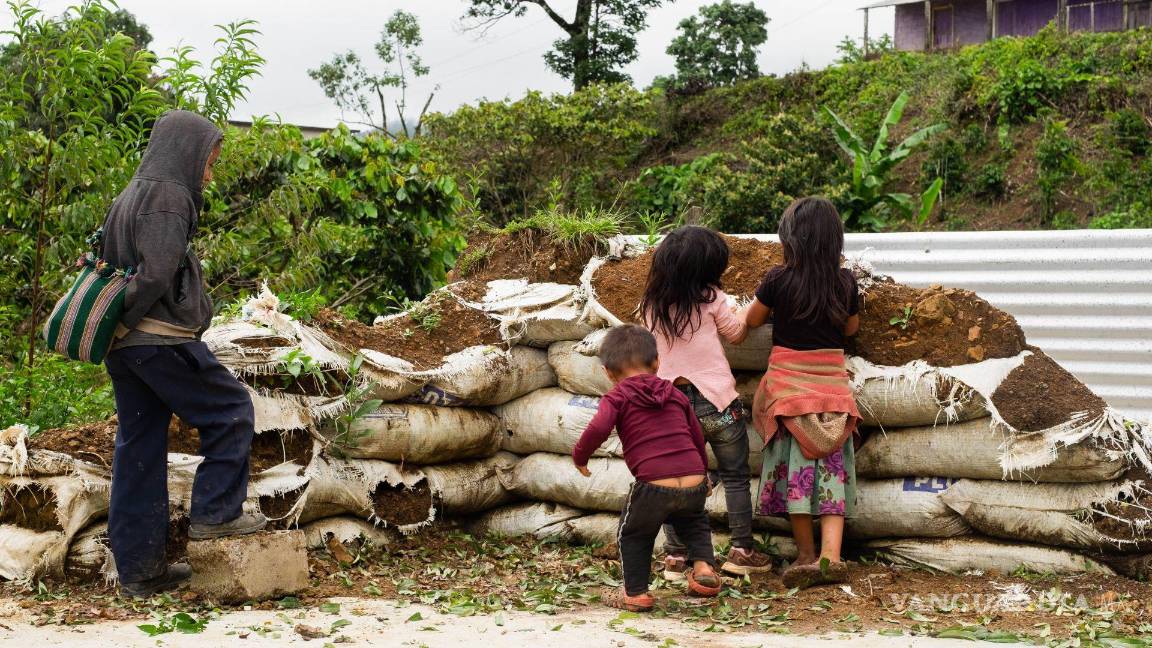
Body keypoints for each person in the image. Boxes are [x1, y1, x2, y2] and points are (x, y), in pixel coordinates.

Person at [101, 110, 267, 598]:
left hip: (126, 349)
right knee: (231, 412)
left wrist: (118, 329)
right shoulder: (170, 197)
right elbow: (154, 277)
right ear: (186, 154)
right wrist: (131, 320)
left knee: (140, 447)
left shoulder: (130, 194)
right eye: (208, 162)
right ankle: (216, 516)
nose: (209, 175)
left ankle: (140, 571)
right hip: (159, 341)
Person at [639, 225, 773, 579]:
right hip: (717, 405)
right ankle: (742, 550)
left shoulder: (650, 304)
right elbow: (737, 334)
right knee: (734, 476)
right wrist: (743, 312)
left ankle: (675, 555)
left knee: (672, 478)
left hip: (669, 409)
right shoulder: (712, 297)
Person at [744, 197, 862, 589]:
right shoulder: (845, 283)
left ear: (790, 239)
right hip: (833, 398)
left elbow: (751, 320)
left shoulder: (777, 280)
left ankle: (806, 555)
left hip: (789, 397)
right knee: (831, 475)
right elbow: (850, 330)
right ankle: (831, 557)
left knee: (797, 478)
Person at [572, 325, 722, 612]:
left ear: (608, 373)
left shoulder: (617, 397)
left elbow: (599, 427)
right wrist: (703, 474)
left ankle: (636, 593)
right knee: (695, 522)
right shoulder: (675, 394)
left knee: (634, 534)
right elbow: (696, 436)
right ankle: (704, 570)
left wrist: (580, 456)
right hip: (692, 479)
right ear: (656, 363)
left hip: (653, 484)